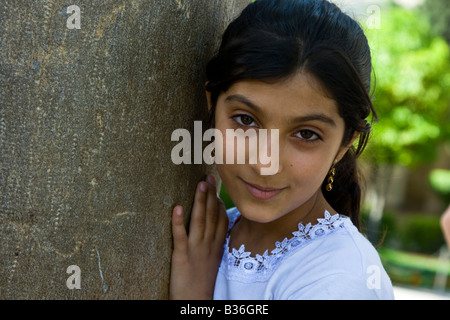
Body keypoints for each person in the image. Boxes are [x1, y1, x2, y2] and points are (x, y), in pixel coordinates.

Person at [169, 0, 394, 300]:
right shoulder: (213, 234)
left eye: (306, 134)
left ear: (344, 144)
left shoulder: (340, 278)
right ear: (212, 102)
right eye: (246, 120)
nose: (265, 163)